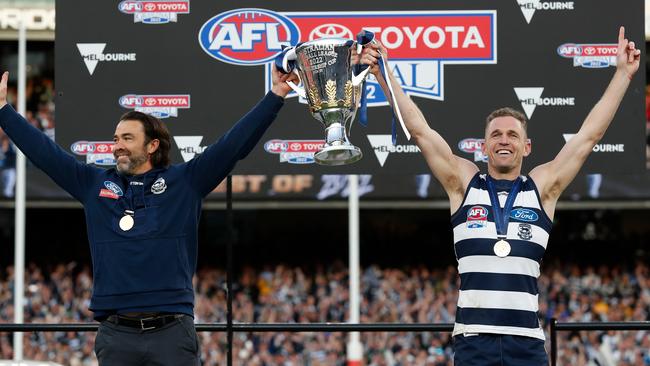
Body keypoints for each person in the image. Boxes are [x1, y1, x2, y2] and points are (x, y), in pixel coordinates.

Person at [360, 26, 640, 365]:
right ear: (484, 146)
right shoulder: (463, 184)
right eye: (496, 134)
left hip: (527, 345)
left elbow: (587, 137)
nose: (504, 140)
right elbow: (420, 131)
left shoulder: (542, 187)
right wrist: (383, 74)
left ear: (527, 146)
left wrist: (623, 75)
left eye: (512, 134)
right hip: (473, 343)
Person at [0, 66, 298, 365]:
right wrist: (3, 111)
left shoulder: (187, 181)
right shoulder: (92, 184)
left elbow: (233, 145)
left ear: (152, 145)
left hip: (172, 334)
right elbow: (44, 153)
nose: (117, 146)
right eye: (116, 139)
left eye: (127, 138)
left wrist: (276, 95)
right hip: (116, 336)